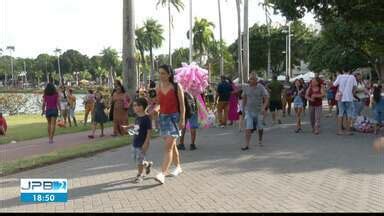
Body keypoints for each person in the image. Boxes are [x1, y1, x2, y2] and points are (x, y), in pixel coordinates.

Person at [154, 64, 185, 184]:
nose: (160, 75)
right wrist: (155, 108)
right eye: (159, 73)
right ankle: (178, 167)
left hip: (174, 119)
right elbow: (158, 103)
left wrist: (182, 119)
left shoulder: (177, 87)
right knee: (172, 146)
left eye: (163, 73)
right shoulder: (158, 87)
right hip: (163, 118)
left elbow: (182, 106)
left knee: (167, 147)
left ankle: (162, 173)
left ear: (169, 74)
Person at [122, 98, 153, 183]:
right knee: (137, 159)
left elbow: (149, 132)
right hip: (135, 142)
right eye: (133, 105)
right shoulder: (137, 117)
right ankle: (147, 164)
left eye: (136, 105)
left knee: (139, 161)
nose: (134, 107)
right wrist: (128, 127)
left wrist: (146, 143)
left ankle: (140, 175)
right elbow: (136, 127)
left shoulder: (146, 118)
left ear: (142, 107)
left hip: (142, 144)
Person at [241, 73, 269, 150]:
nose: (251, 80)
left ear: (256, 80)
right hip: (249, 111)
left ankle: (260, 140)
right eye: (250, 79)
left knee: (260, 127)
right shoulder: (246, 88)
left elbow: (266, 98)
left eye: (253, 79)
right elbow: (244, 99)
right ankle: (247, 145)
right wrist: (243, 110)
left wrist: (263, 107)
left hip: (259, 111)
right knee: (248, 127)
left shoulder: (261, 87)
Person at [333, 70, 357, 135]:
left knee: (340, 114)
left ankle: (340, 131)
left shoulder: (340, 76)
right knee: (349, 114)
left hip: (340, 97)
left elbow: (334, 84)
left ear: (343, 70)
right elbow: (355, 87)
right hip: (349, 98)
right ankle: (348, 131)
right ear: (349, 71)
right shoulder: (352, 77)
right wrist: (352, 93)